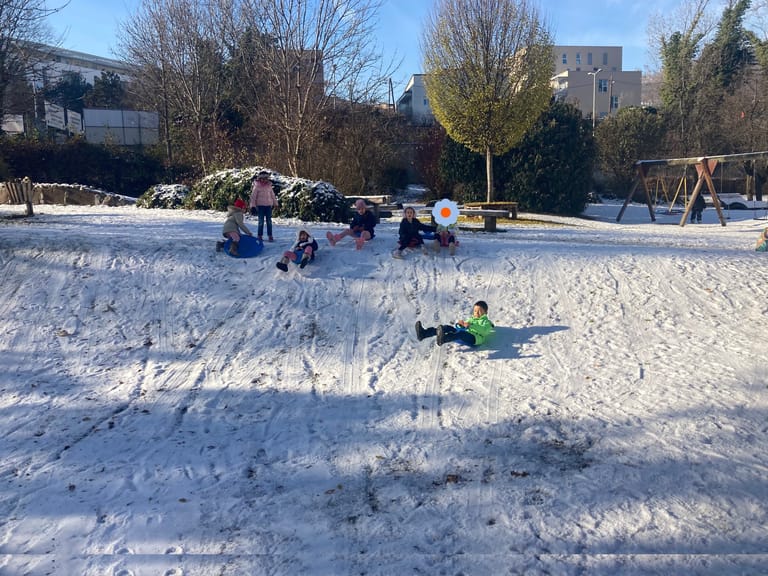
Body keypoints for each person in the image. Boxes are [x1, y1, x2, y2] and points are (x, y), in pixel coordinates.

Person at [415, 300, 494, 347]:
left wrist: (471, 326)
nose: (476, 313)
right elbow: (463, 327)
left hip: (474, 339)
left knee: (461, 334)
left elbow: (484, 331)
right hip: (463, 333)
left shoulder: (486, 322)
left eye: (479, 311)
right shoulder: (471, 319)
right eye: (475, 311)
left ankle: (443, 339)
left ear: (485, 312)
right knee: (448, 328)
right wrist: (459, 325)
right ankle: (424, 334)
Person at [249, 170, 279, 242]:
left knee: (269, 221)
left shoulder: (269, 186)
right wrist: (252, 206)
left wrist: (276, 204)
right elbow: (253, 197)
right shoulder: (257, 186)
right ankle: (260, 235)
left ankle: (270, 235)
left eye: (265, 178)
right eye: (262, 179)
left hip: (268, 206)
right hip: (260, 206)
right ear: (259, 179)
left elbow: (272, 195)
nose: (264, 180)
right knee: (261, 222)